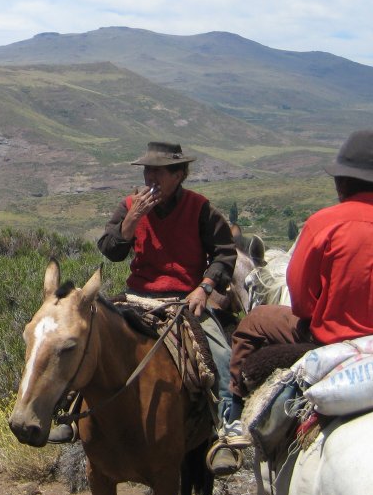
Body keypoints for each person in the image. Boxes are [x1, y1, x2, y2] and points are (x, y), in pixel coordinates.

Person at [209, 129, 373, 475]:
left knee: (253, 323)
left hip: (334, 338)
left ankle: (234, 421)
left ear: (344, 183)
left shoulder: (323, 223)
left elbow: (302, 300)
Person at [51, 141, 239, 474]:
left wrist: (204, 288)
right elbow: (111, 250)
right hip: (136, 296)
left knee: (221, 354)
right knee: (88, 339)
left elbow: (224, 254)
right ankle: (66, 410)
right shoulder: (129, 205)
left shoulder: (200, 209)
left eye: (159, 171)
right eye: (147, 170)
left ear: (179, 174)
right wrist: (131, 221)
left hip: (185, 299)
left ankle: (226, 431)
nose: (151, 176)